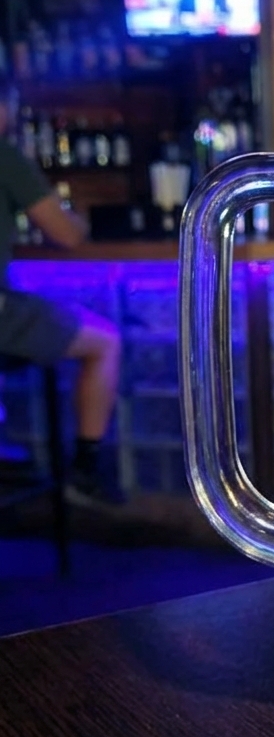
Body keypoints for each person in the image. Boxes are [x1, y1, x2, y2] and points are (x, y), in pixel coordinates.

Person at [0, 79, 122, 506]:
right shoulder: (6, 156)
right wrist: (82, 221)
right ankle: (85, 473)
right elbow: (65, 234)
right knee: (104, 341)